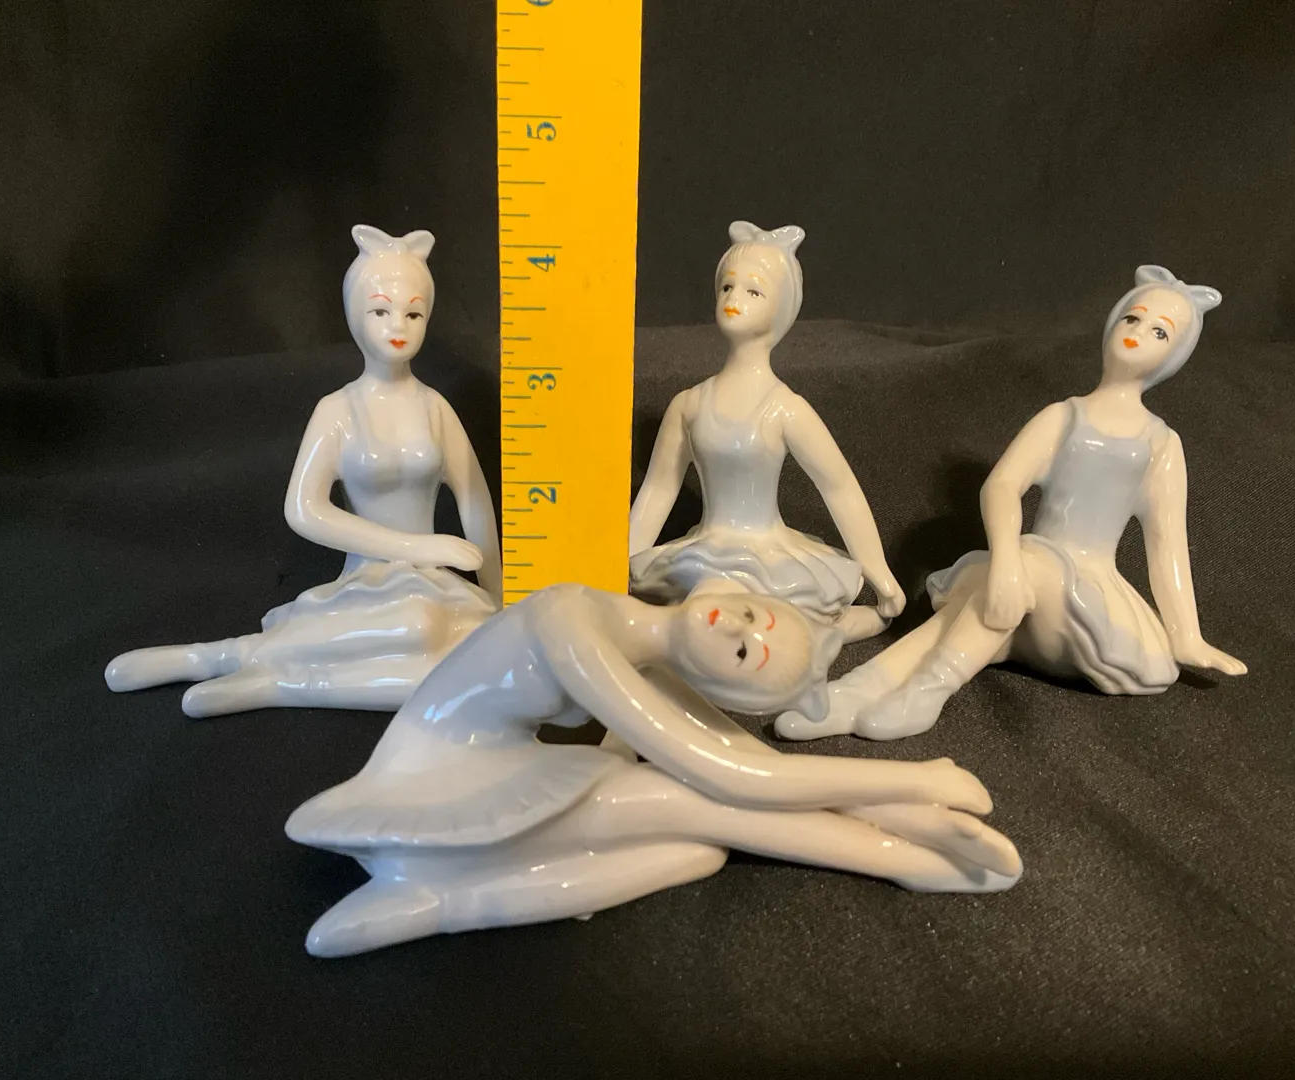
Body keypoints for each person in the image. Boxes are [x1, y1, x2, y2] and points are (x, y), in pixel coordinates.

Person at [287, 583, 1021, 957]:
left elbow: (751, 761)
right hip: (443, 795)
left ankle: (910, 850)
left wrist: (908, 811)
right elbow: (733, 784)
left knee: (699, 835)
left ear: (726, 686)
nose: (734, 626)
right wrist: (913, 779)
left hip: (496, 773)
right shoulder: (574, 624)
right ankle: (902, 865)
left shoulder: (636, 649)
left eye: (744, 653)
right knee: (696, 808)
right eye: (755, 617)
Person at [777, 265, 1247, 742]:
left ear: (1174, 355)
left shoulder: (1160, 444)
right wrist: (1004, 563)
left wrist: (1186, 635)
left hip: (1084, 615)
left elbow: (1167, 544)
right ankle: (854, 691)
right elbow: (1001, 487)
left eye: (1160, 331)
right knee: (974, 602)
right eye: (1132, 318)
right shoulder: (1063, 416)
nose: (1138, 332)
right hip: (1019, 594)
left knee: (1023, 567)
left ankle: (928, 689)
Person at [105, 225, 501, 717]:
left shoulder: (434, 407)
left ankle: (281, 685)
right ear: (355, 315)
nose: (397, 325)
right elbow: (304, 509)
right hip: (372, 579)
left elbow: (474, 500)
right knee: (416, 628)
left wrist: (500, 596)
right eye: (380, 311)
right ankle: (213, 656)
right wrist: (418, 548)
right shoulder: (338, 410)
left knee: (473, 658)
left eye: (413, 313)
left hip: (437, 588)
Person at [629, 221, 902, 643]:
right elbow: (659, 488)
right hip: (705, 555)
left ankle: (837, 630)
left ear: (781, 308)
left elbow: (839, 488)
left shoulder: (786, 409)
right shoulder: (688, 405)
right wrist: (621, 563)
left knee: (774, 627)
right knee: (700, 618)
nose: (733, 299)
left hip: (769, 558)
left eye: (753, 291)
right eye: (727, 287)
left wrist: (878, 571)